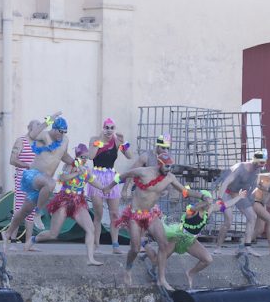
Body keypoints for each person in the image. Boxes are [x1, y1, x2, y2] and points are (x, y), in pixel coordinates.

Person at [98, 151, 209, 291]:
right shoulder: (143, 172)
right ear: (159, 164)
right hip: (135, 215)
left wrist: (202, 197)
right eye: (167, 166)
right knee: (135, 248)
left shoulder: (170, 177)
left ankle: (162, 280)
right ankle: (128, 269)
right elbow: (123, 176)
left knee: (163, 244)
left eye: (171, 166)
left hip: (151, 214)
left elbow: (185, 192)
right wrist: (109, 187)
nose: (169, 169)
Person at [143, 189, 248, 289]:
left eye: (210, 203)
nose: (210, 205)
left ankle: (190, 273)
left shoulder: (209, 210)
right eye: (207, 203)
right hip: (176, 238)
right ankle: (144, 243)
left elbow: (226, 205)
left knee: (207, 260)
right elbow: (195, 207)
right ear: (201, 202)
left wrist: (239, 197)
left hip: (190, 241)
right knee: (156, 261)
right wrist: (205, 201)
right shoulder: (191, 211)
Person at [2, 112, 73, 252]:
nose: (62, 134)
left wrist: (76, 162)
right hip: (32, 176)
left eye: (65, 132)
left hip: (42, 183)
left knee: (24, 211)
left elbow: (63, 155)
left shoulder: (65, 140)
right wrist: (48, 120)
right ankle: (38, 213)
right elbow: (33, 135)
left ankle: (7, 233)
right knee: (51, 183)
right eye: (60, 131)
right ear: (54, 128)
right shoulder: (45, 136)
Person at [26, 144, 104, 265]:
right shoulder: (70, 165)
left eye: (86, 157)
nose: (84, 160)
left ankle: (90, 259)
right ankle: (32, 240)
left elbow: (92, 180)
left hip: (78, 202)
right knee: (53, 234)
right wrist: (77, 173)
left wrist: (104, 188)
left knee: (90, 229)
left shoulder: (86, 169)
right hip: (64, 201)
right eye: (82, 157)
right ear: (77, 156)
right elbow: (62, 178)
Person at [88, 118, 135, 254]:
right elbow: (91, 156)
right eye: (107, 127)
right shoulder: (95, 139)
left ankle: (115, 245)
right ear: (103, 128)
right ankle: (96, 246)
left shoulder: (116, 141)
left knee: (114, 214)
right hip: (97, 177)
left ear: (114, 129)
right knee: (98, 214)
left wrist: (124, 142)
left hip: (111, 178)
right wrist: (99, 141)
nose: (109, 130)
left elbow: (130, 156)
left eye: (111, 128)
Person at [215, 149, 268, 256]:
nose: (263, 165)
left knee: (252, 217)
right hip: (226, 193)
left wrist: (263, 187)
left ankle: (246, 247)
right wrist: (220, 198)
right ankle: (218, 247)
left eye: (264, 163)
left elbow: (254, 184)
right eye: (261, 162)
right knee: (229, 220)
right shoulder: (240, 168)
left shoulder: (257, 170)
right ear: (255, 160)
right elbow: (225, 182)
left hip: (238, 194)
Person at [8, 119, 45, 250]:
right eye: (36, 129)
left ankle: (28, 244)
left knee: (31, 211)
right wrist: (26, 165)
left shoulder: (39, 144)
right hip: (22, 178)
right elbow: (12, 160)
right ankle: (12, 241)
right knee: (19, 209)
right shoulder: (21, 141)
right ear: (30, 129)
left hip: (35, 180)